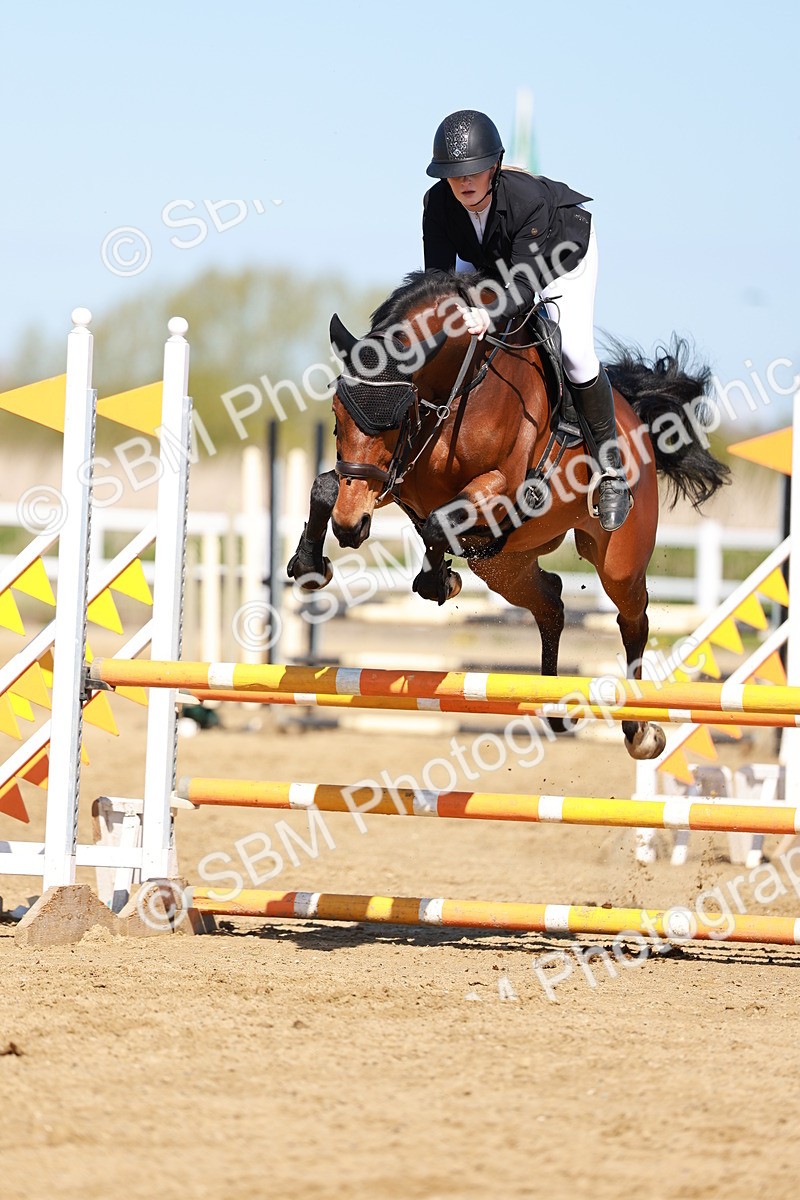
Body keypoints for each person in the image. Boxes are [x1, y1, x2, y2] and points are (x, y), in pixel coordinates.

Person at [422, 108, 631, 532]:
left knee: (575, 354)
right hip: (494, 258)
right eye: (454, 174)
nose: (464, 182)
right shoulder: (437, 204)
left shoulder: (526, 201)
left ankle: (612, 473)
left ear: (494, 167)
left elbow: (521, 288)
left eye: (473, 172)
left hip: (559, 256)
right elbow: (437, 283)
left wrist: (487, 312)